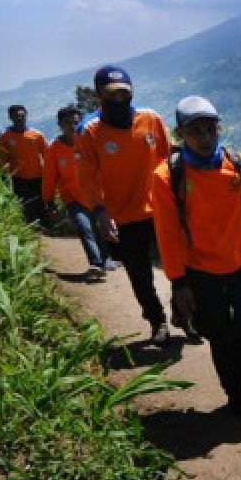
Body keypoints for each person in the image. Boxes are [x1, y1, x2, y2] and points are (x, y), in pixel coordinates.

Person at [150, 96, 241, 419]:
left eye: (210, 128)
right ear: (181, 134)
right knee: (219, 336)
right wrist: (178, 282)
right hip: (200, 272)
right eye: (196, 131)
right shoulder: (167, 177)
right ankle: (236, 393)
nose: (205, 137)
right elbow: (167, 234)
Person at [76, 65, 171, 344]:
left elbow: (169, 162)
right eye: (111, 95)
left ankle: (183, 312)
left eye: (124, 94)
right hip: (123, 218)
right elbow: (87, 178)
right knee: (140, 276)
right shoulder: (90, 131)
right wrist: (101, 212)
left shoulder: (151, 119)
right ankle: (157, 320)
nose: (119, 100)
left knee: (180, 265)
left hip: (160, 210)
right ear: (99, 95)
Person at [42, 106, 116, 278]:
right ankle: (96, 263)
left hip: (96, 195)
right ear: (60, 125)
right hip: (72, 197)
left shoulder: (89, 141)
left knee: (101, 227)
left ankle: (106, 259)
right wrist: (49, 201)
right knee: (84, 227)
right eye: (67, 123)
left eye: (75, 122)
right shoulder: (53, 148)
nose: (72, 126)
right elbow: (49, 177)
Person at [0, 104, 47, 224]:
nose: (20, 118)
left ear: (26, 116)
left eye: (22, 116)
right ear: (10, 117)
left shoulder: (37, 135)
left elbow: (47, 155)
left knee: (40, 203)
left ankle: (44, 227)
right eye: (17, 116)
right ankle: (30, 231)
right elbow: (2, 158)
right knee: (24, 204)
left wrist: (50, 174)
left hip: (38, 176)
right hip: (18, 177)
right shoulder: (5, 136)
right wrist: (2, 175)